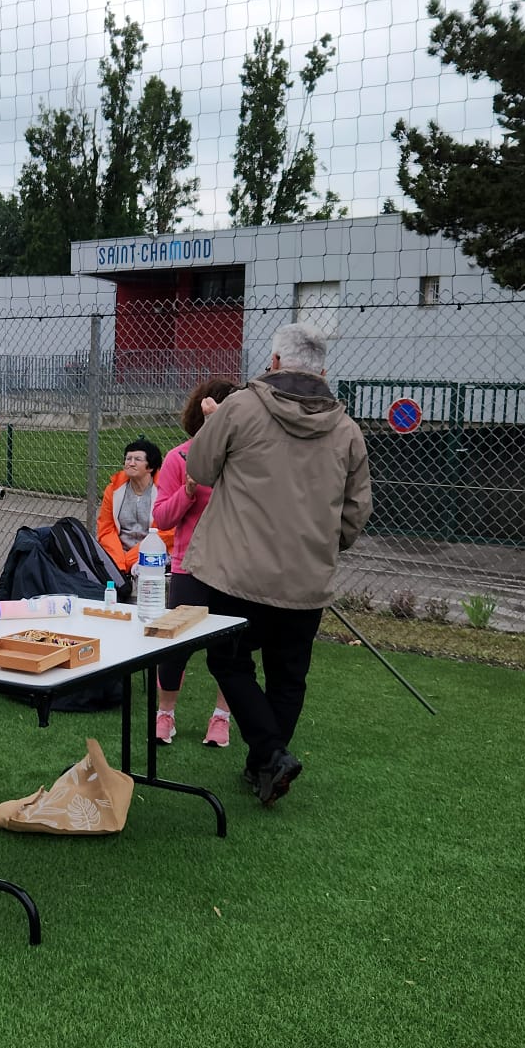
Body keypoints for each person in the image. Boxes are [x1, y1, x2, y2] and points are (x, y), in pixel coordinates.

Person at [186, 322, 371, 806]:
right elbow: (356, 510)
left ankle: (268, 755)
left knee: (228, 661)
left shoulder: (240, 408)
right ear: (323, 372)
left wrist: (213, 426)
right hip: (306, 578)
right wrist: (325, 545)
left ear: (273, 362)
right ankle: (265, 766)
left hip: (237, 572)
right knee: (288, 674)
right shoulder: (347, 430)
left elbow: (199, 467)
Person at [151, 380, 239, 748]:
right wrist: (188, 491)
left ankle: (221, 718)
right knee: (174, 647)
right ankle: (165, 714)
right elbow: (162, 517)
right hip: (189, 566)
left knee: (230, 650)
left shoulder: (244, 462)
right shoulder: (180, 458)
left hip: (234, 569)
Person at [95, 438, 172, 585]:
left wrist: (129, 560)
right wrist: (119, 562)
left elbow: (167, 534)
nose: (130, 463)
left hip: (153, 554)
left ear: (150, 467)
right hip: (118, 554)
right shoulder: (113, 490)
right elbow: (106, 529)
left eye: (137, 459)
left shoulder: (165, 491)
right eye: (128, 458)